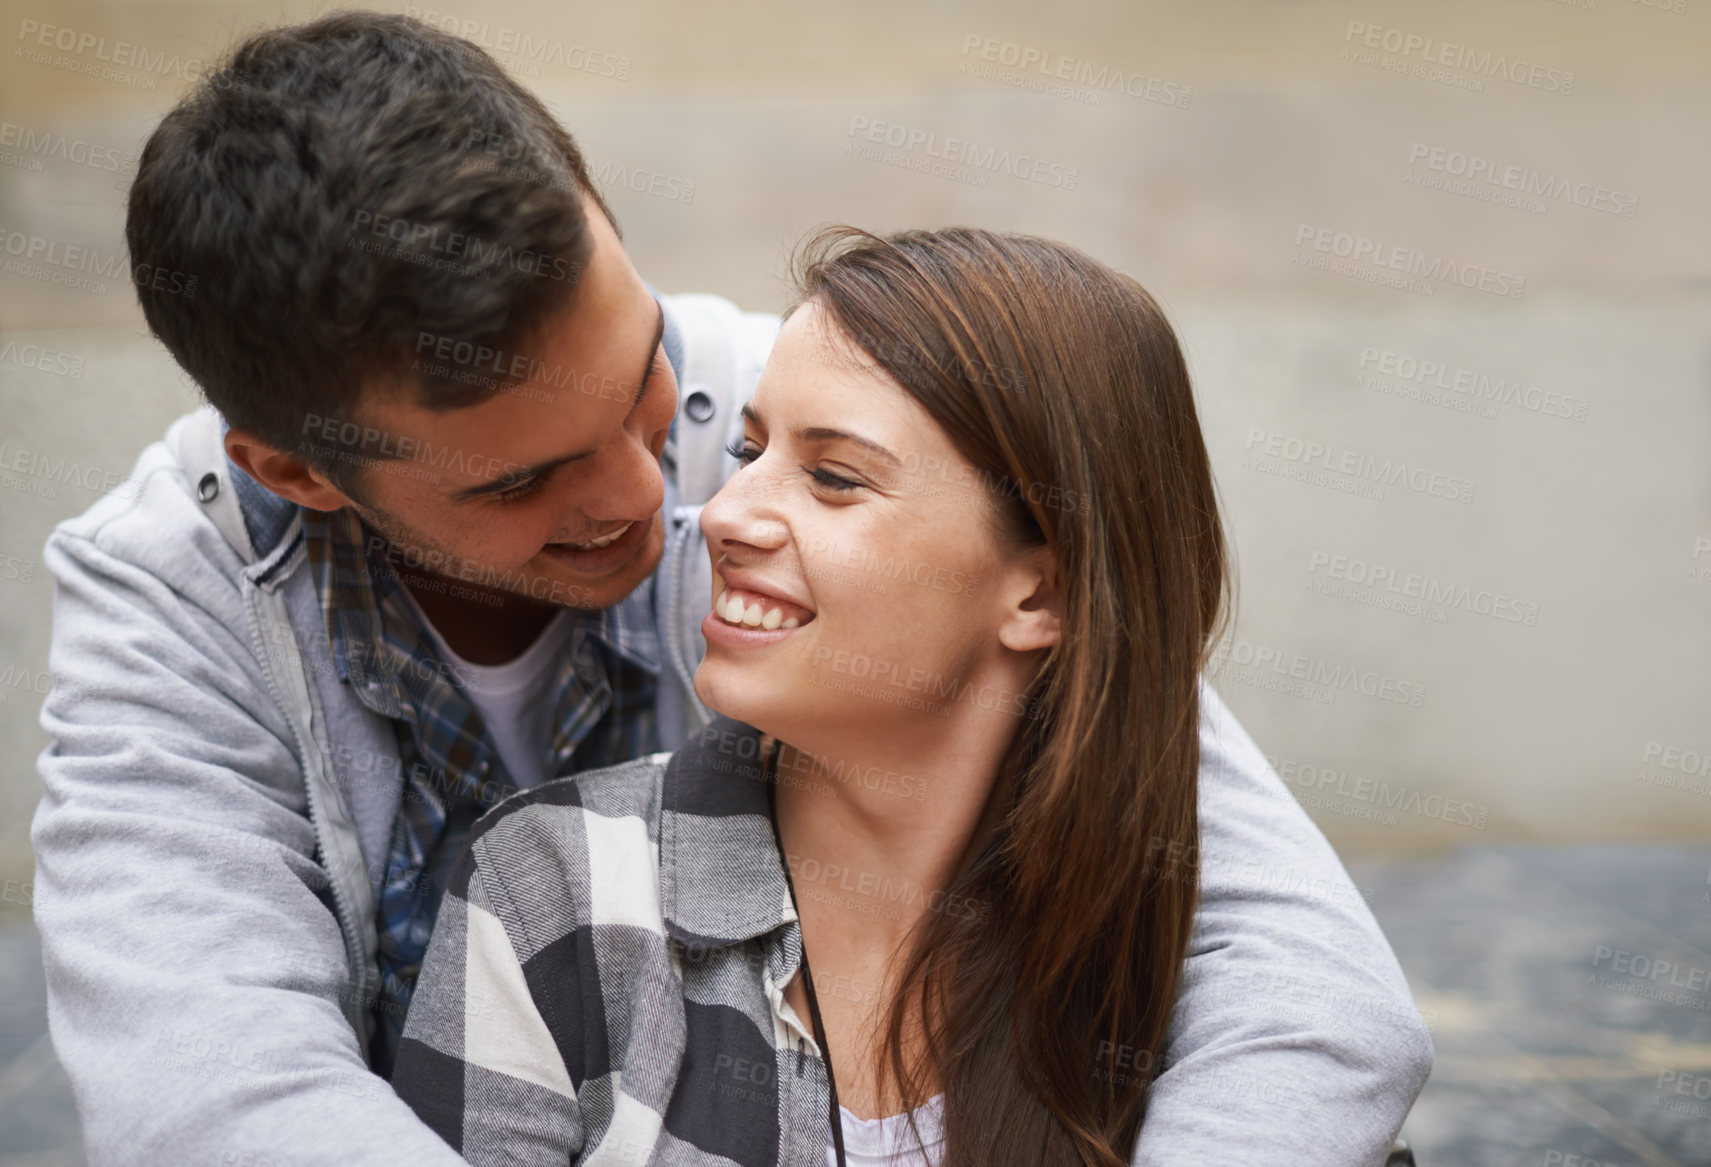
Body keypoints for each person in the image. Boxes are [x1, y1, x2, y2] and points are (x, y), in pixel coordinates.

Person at [29, 12, 1429, 1166]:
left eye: (645, 379)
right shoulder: (173, 595)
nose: (667, 496)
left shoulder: (810, 409)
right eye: (522, 483)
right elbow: (209, 1097)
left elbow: (1291, 966)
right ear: (298, 469)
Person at [392, 225, 1428, 1165]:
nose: (718, 513)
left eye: (835, 478)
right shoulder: (551, 892)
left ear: (1043, 589)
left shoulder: (1207, 981)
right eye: (751, 449)